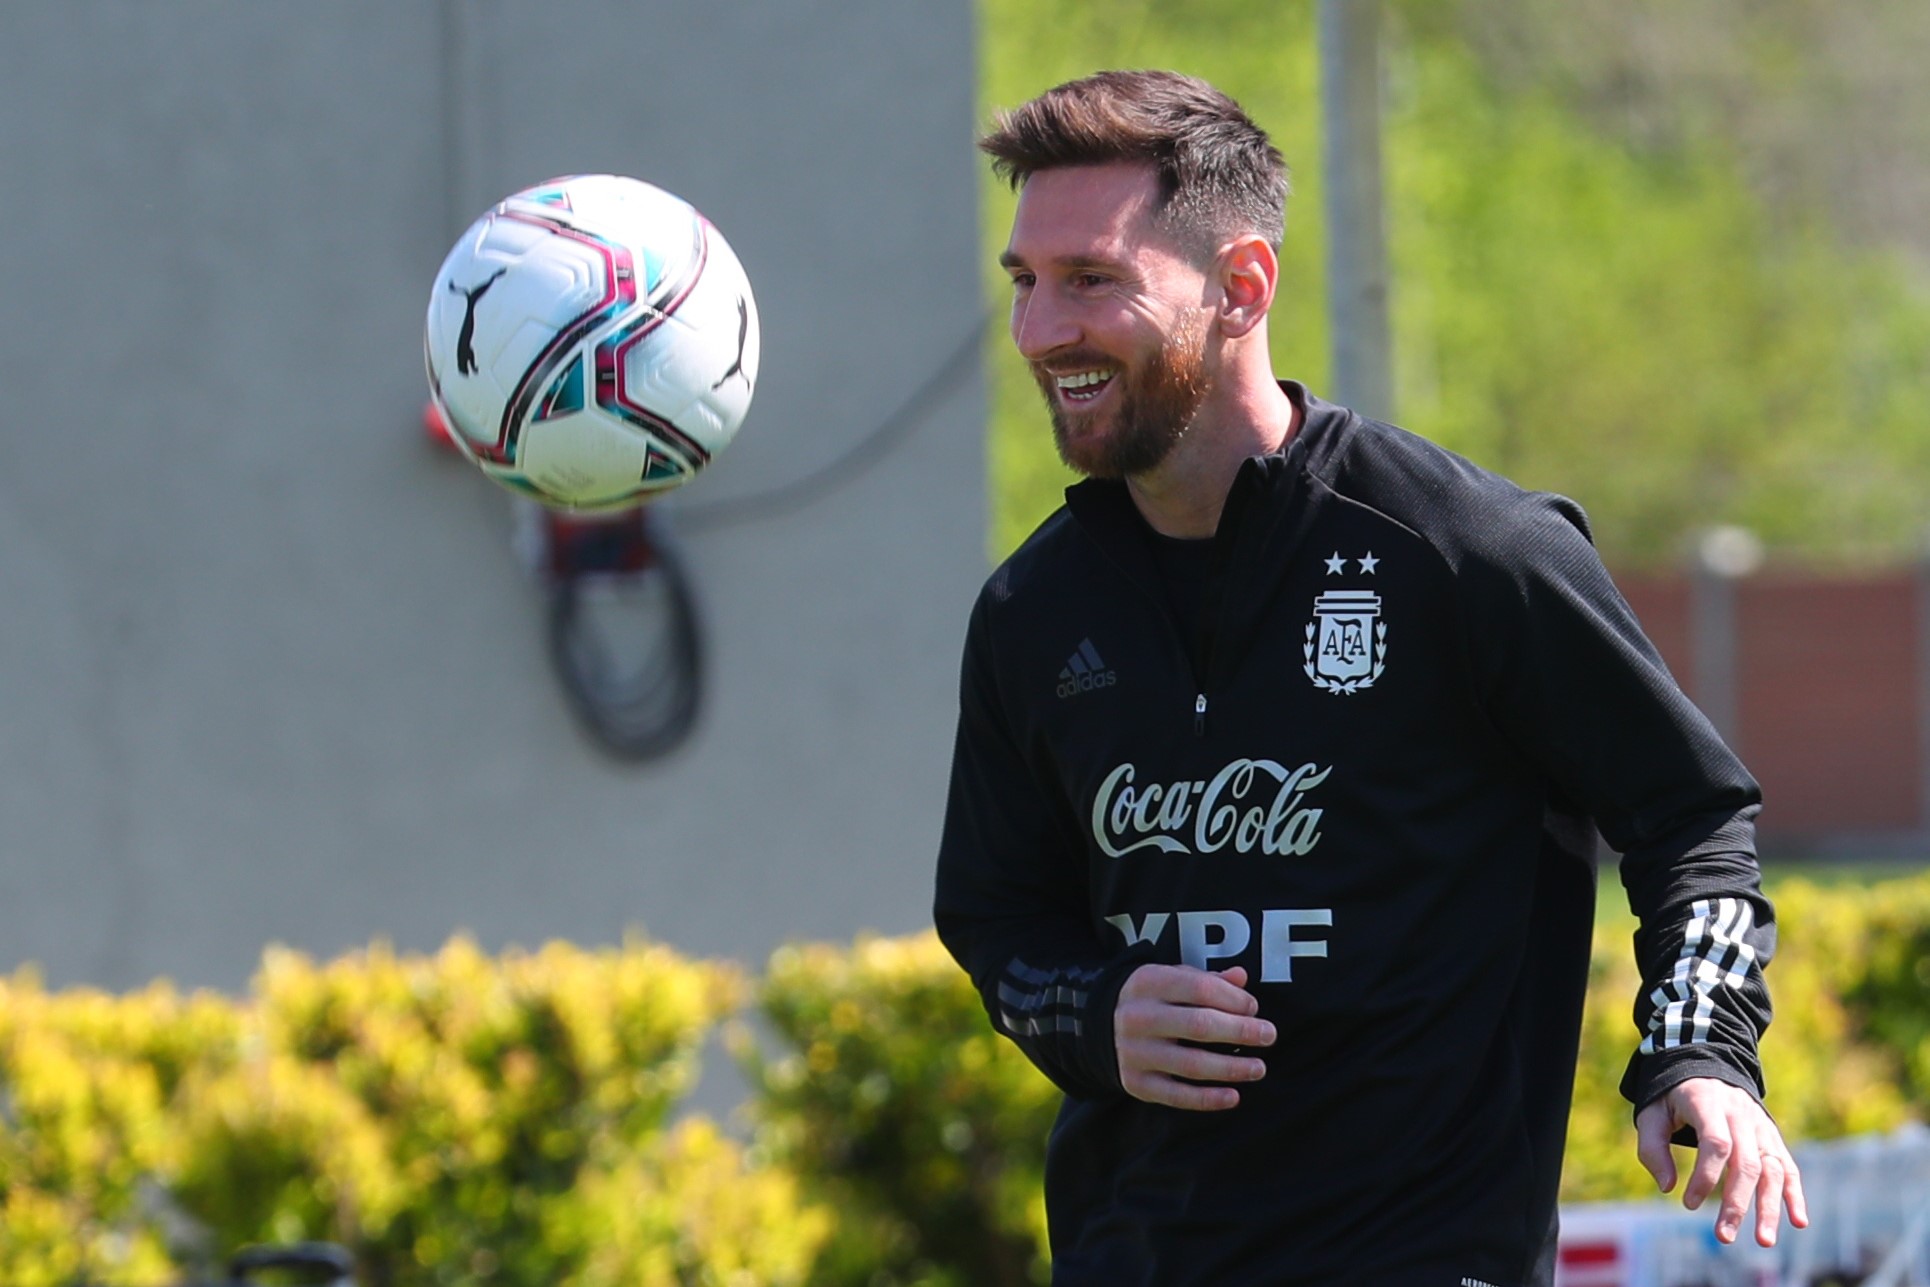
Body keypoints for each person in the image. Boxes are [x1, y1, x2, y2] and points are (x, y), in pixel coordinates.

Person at [932, 69, 1806, 1286]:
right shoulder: (1034, 611)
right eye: (1025, 284)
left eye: (1092, 280)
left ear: (1242, 287)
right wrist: (1094, 1009)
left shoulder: (1467, 554)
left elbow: (1691, 815)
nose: (1039, 332)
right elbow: (993, 916)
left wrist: (1698, 1054)